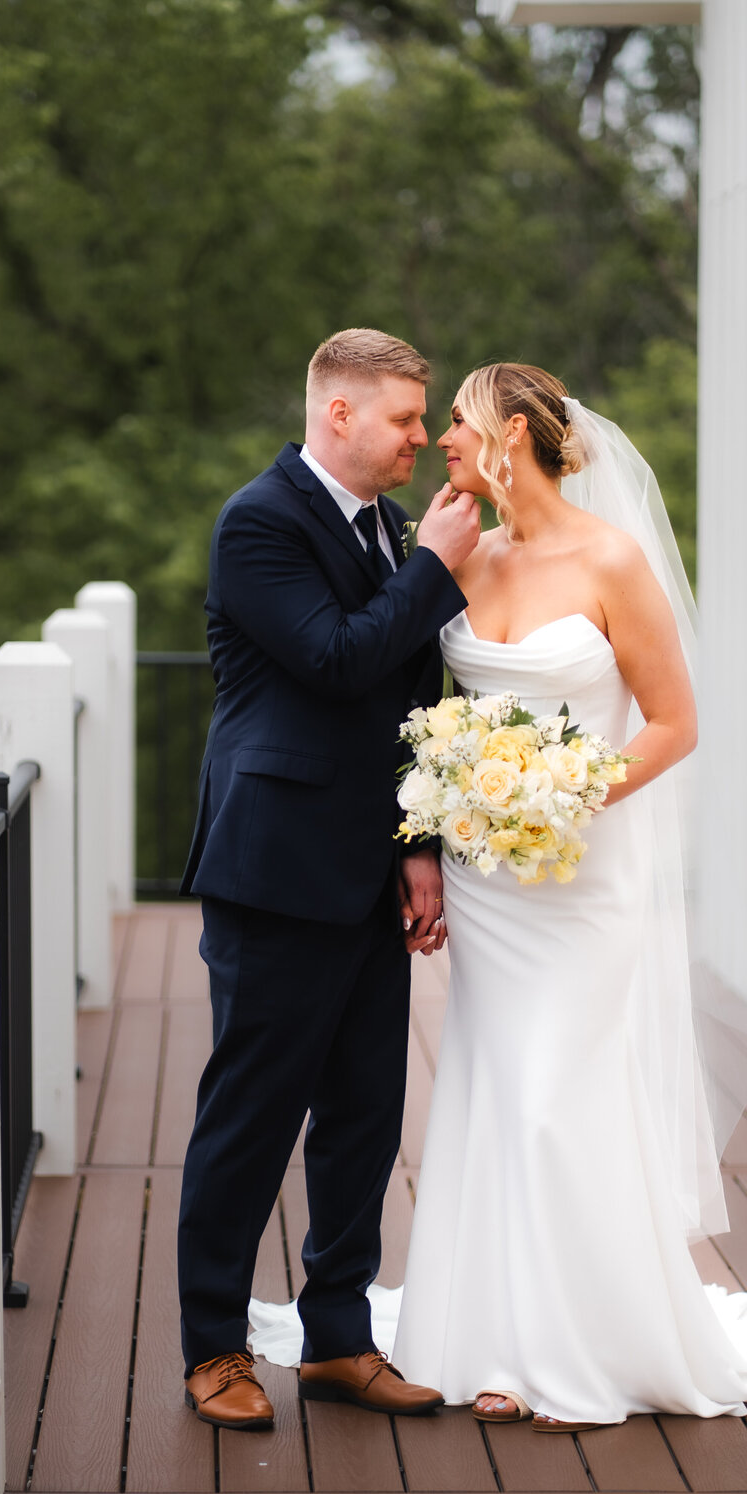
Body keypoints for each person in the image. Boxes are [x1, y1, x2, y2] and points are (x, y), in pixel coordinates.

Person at [249, 361, 747, 1428]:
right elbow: (413, 703)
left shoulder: (612, 559)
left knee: (560, 1092)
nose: (440, 442)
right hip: (487, 883)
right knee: (493, 1085)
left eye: (456, 424)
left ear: (512, 436)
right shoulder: (463, 559)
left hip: (581, 872)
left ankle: (582, 1349)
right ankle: (493, 1341)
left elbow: (674, 723)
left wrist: (568, 796)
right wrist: (446, 826)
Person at [176, 328, 480, 1430]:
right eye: (404, 418)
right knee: (251, 1116)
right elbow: (337, 659)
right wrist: (436, 568)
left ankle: (340, 1340)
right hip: (276, 866)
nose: (420, 439)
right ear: (338, 413)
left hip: (368, 870)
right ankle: (215, 1347)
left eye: (423, 418)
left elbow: (405, 704)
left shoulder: (390, 528)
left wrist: (418, 843)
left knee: (364, 1117)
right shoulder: (259, 521)